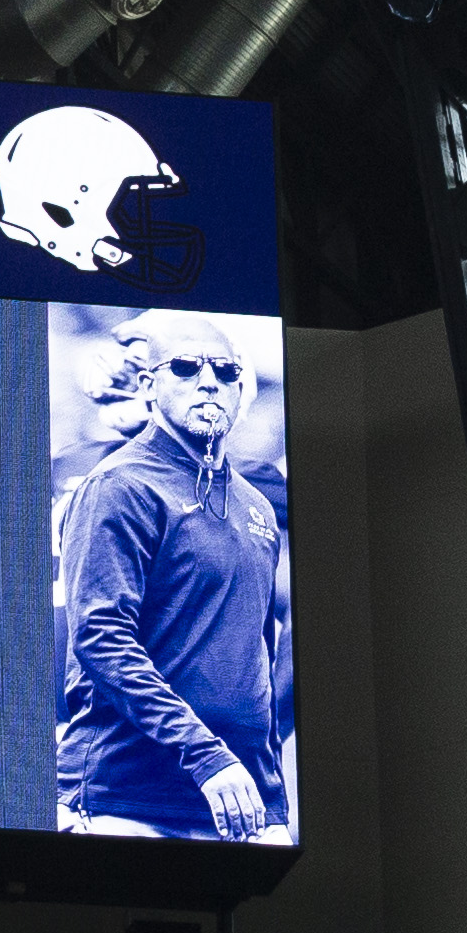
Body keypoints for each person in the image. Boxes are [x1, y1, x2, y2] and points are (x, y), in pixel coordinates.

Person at [56, 312, 289, 842]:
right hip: (128, 798)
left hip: (241, 802)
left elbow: (255, 656)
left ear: (241, 391)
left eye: (226, 372)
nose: (209, 381)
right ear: (148, 385)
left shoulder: (256, 504)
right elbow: (100, 637)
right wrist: (207, 756)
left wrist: (268, 790)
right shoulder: (119, 484)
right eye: (184, 367)